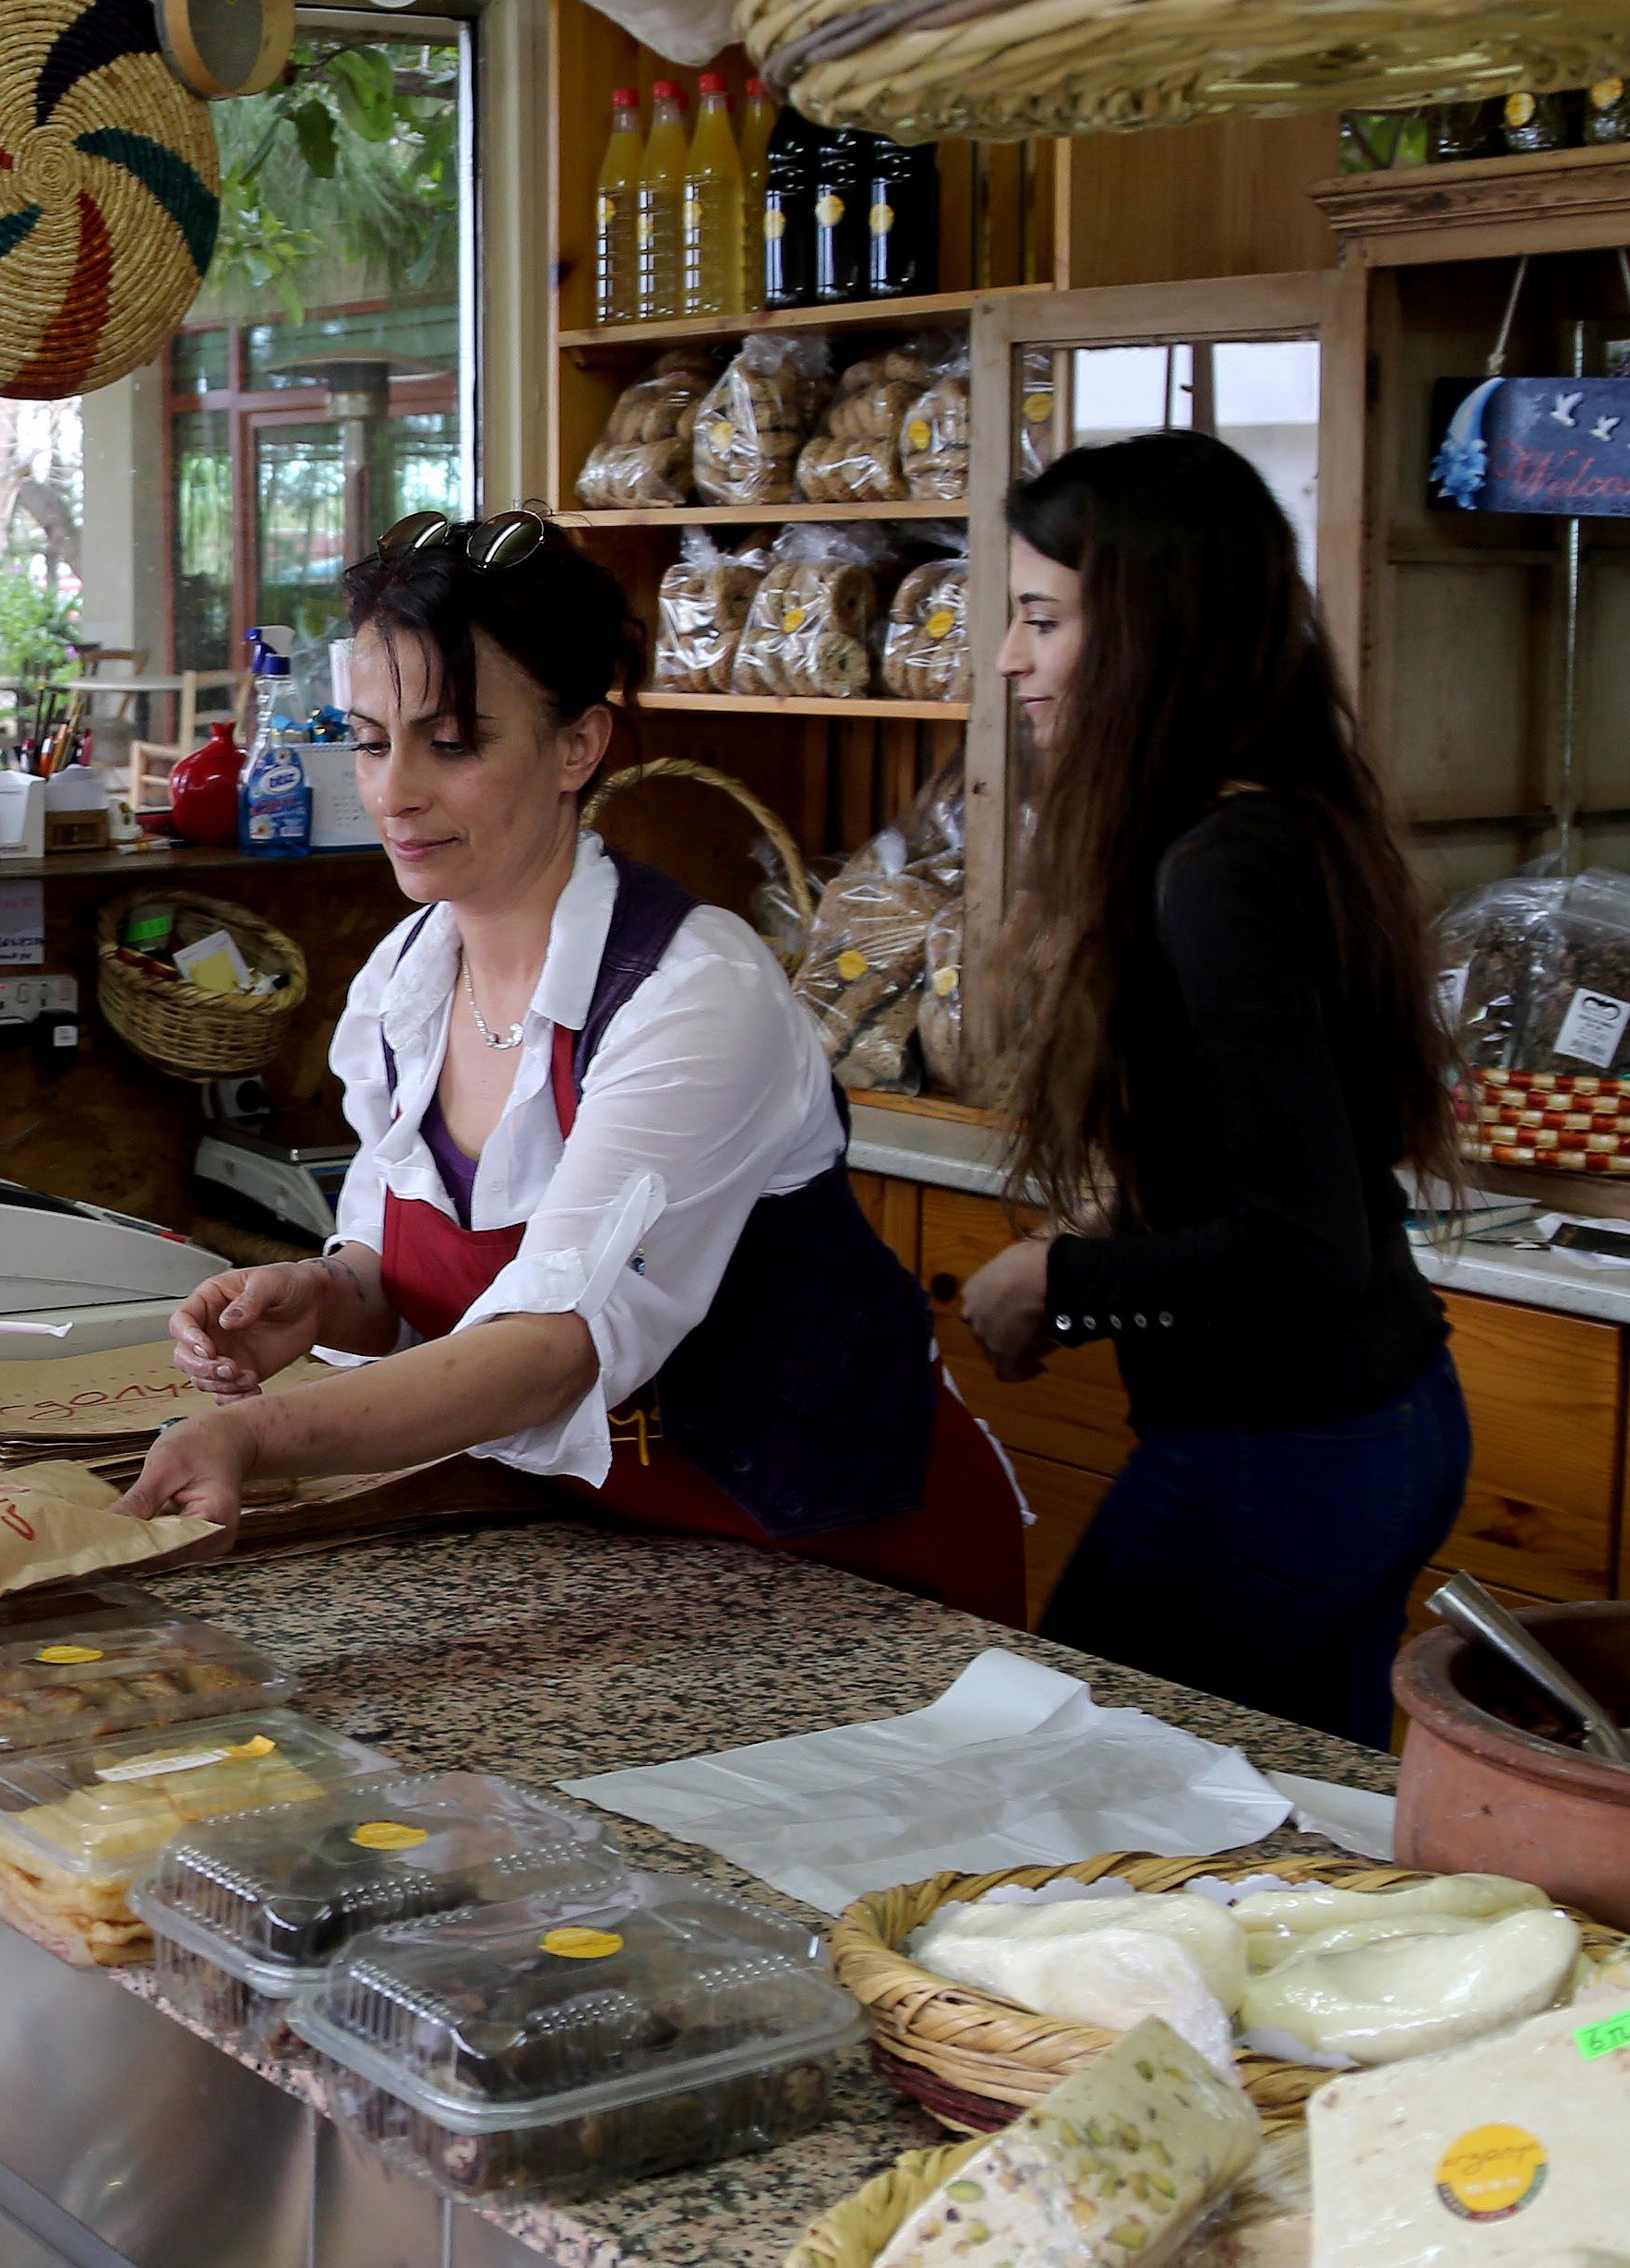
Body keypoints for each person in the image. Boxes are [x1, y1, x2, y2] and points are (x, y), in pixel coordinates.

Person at [131, 512, 1026, 1614]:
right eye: (369, 741)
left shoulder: (692, 992)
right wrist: (322, 1297)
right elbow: (397, 1270)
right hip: (613, 1556)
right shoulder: (406, 979)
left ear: (578, 746)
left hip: (847, 1570)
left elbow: (555, 1345)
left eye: (451, 743)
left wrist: (257, 1437)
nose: (394, 790)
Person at [955, 430, 1460, 1744]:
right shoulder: (1276, 816)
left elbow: (1302, 1247)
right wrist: (1104, 1233)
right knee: (1296, 1821)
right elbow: (1272, 1164)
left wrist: (1060, 1282)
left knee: (1060, 1777)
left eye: (1043, 620)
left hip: (1286, 1453)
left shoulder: (1220, 869)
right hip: (1375, 1424)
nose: (1010, 659)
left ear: (1153, 632)